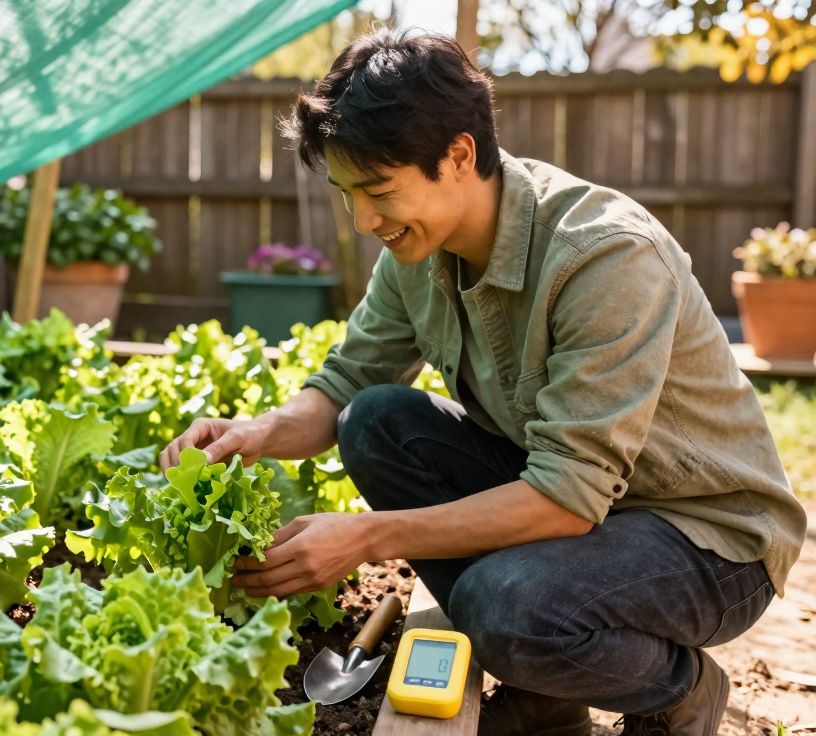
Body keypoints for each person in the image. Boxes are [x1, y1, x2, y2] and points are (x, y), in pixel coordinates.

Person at [158, 29, 806, 736]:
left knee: (505, 607)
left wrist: (366, 538)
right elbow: (346, 382)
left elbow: (567, 496)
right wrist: (258, 433)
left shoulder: (607, 257)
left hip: (706, 537)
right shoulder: (417, 249)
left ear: (459, 155)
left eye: (378, 190)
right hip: (580, 508)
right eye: (348, 195)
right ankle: (549, 698)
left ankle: (680, 689)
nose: (365, 221)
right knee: (375, 422)